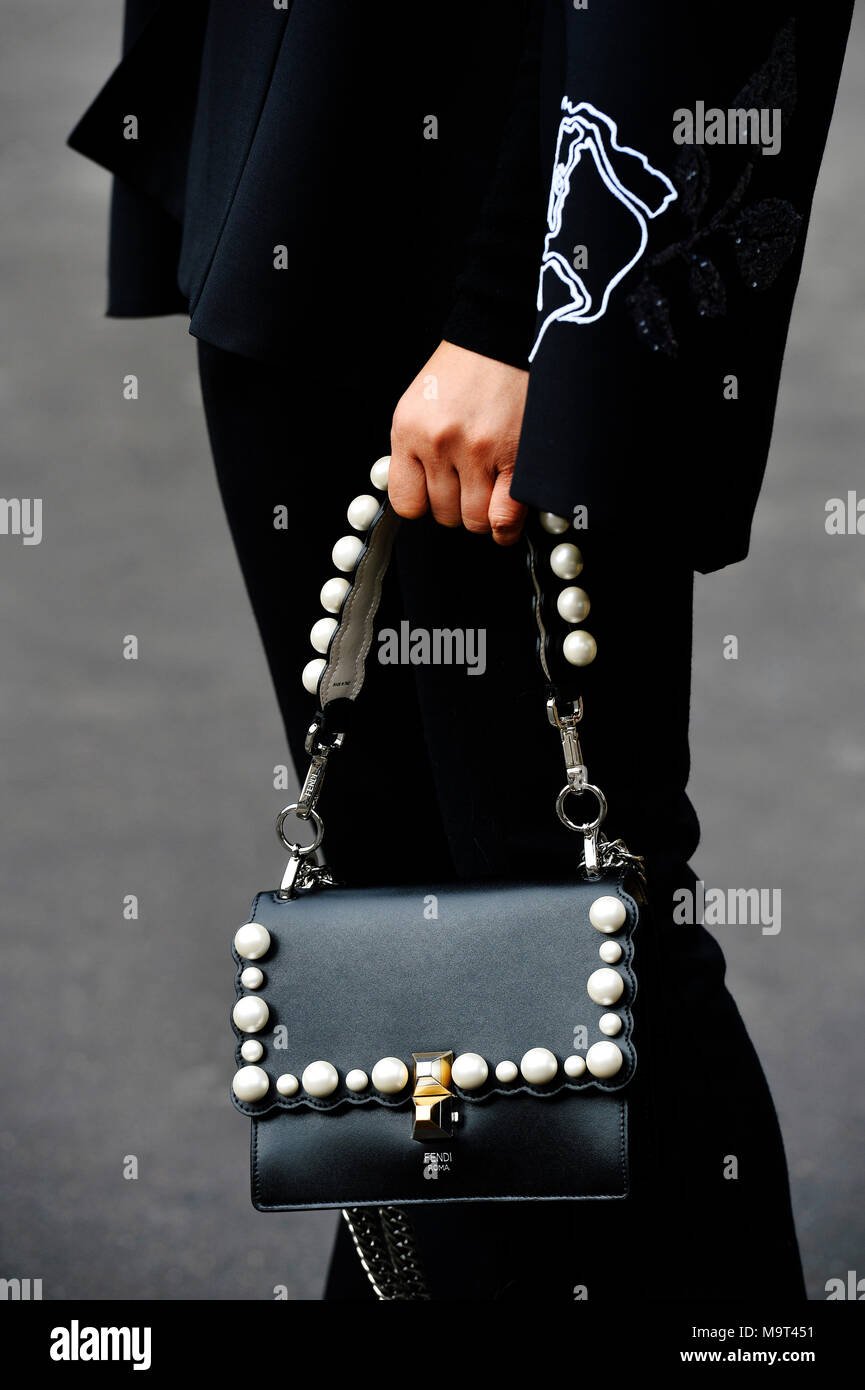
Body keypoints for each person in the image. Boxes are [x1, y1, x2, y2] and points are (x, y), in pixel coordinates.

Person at [68, 1, 855, 1300]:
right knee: (402, 947)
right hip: (287, 152)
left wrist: (518, 306)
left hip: (491, 232)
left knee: (566, 925)